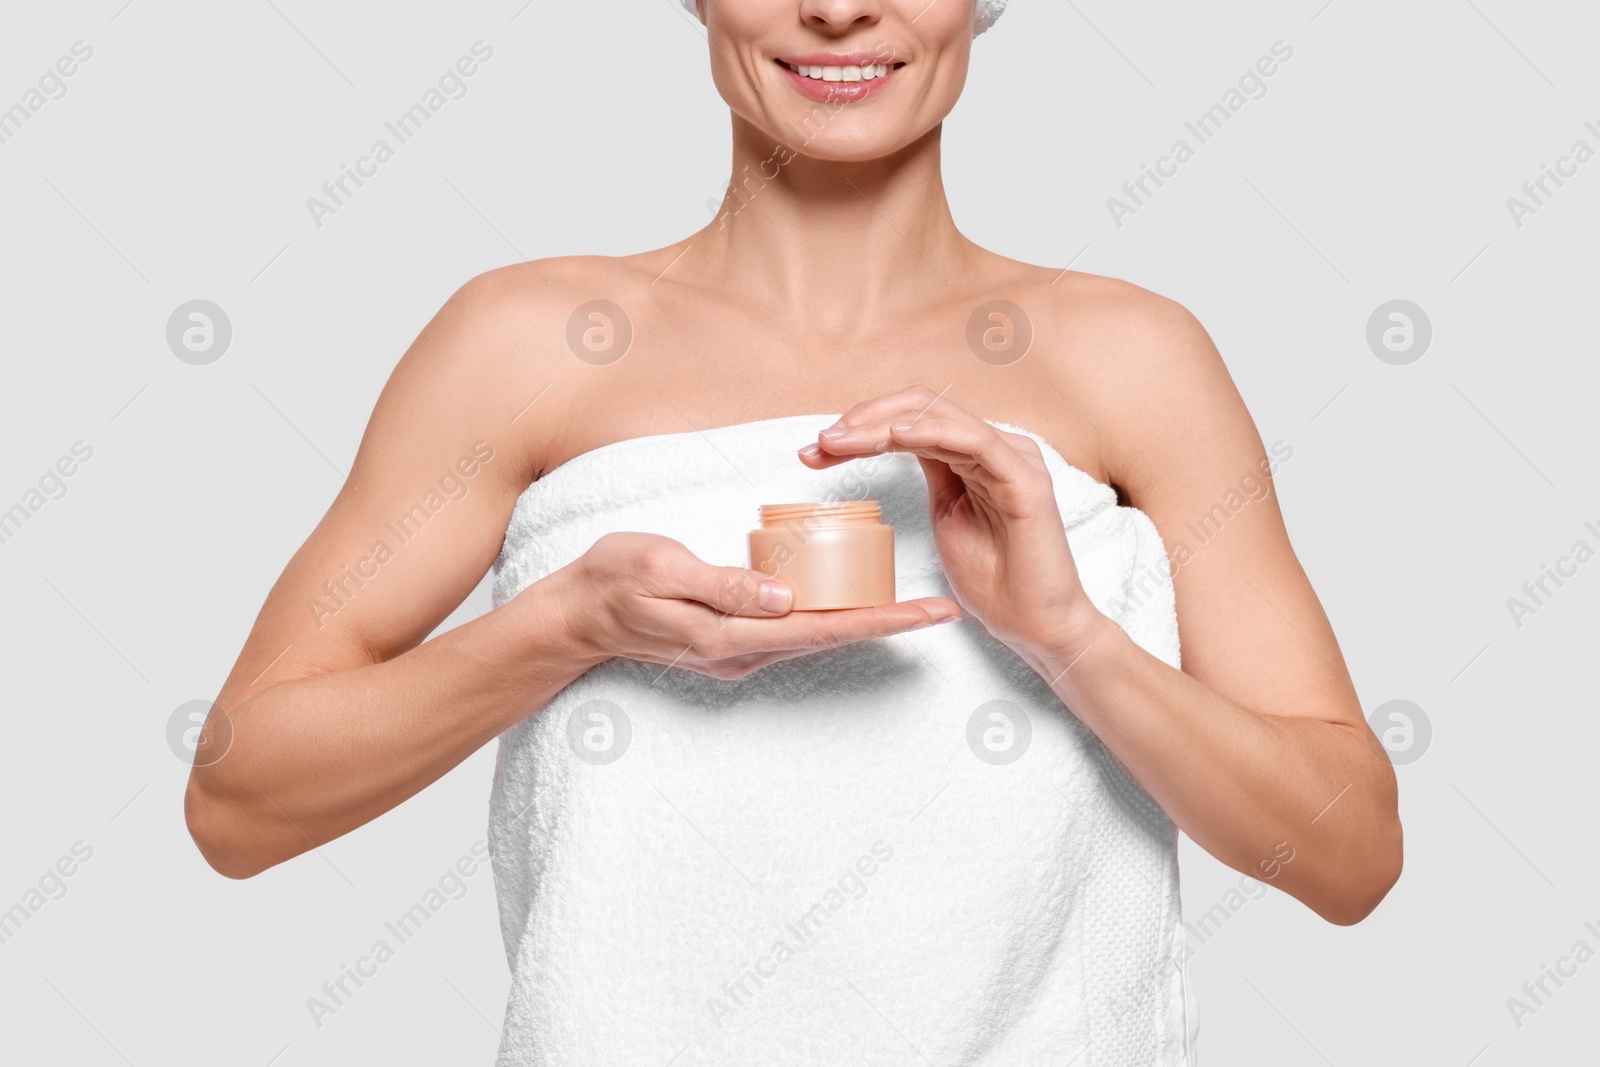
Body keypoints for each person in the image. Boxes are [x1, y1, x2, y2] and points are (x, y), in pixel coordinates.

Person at [186, 1, 1401, 1062]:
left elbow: (1348, 853)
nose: (836, 9)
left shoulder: (1132, 359)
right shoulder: (525, 341)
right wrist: (565, 625)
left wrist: (1067, 633)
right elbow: (241, 797)